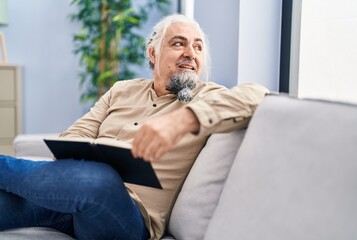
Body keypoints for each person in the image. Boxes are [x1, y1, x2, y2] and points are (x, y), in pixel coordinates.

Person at [0, 14, 269, 240]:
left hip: (128, 216)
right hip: (74, 200)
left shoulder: (208, 95)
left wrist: (185, 119)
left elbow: (257, 94)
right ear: (153, 53)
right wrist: (80, 154)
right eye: (179, 43)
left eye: (198, 47)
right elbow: (76, 134)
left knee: (100, 180)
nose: (190, 53)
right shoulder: (122, 90)